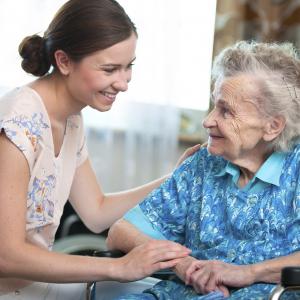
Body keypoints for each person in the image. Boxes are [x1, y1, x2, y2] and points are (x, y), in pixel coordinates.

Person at [0, 0, 199, 299]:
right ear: (64, 61)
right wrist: (119, 267)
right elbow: (7, 257)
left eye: (128, 66)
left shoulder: (71, 118)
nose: (123, 83)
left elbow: (96, 211)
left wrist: (175, 177)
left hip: (30, 287)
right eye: (110, 69)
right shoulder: (18, 123)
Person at [107, 40, 300, 300]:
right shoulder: (203, 163)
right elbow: (120, 232)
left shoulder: (295, 170)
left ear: (272, 127)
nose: (208, 121)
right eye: (214, 106)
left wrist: (249, 273)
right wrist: (180, 264)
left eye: (226, 111)